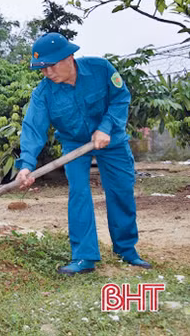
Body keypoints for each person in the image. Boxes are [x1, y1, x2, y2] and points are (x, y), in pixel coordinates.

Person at [16, 32, 151, 274]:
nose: (47, 73)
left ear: (69, 57)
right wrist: (26, 165)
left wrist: (105, 127)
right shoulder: (43, 93)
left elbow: (120, 98)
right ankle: (84, 256)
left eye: (51, 66)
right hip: (73, 144)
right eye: (42, 69)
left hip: (112, 139)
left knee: (120, 191)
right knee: (79, 193)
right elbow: (33, 128)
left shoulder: (100, 69)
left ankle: (126, 250)